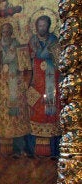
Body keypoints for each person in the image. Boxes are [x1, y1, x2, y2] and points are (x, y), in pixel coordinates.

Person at [0, 23, 30, 156]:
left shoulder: (18, 46)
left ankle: (18, 148)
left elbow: (26, 66)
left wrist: (25, 84)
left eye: (7, 31)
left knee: (16, 117)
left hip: (14, 86)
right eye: (3, 31)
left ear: (11, 32)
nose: (5, 34)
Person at [27, 15, 61, 157]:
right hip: (36, 82)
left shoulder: (54, 41)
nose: (42, 28)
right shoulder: (32, 41)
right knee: (35, 113)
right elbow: (25, 63)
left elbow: (59, 62)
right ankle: (32, 150)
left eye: (44, 25)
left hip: (50, 83)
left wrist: (40, 55)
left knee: (51, 114)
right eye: (39, 25)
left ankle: (54, 151)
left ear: (48, 26)